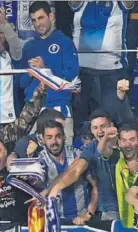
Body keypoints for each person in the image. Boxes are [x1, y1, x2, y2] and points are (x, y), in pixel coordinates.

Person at [48, 112, 138, 222]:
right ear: (91, 130)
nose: (99, 131)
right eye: (95, 127)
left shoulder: (136, 148)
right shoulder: (93, 148)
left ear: (111, 126)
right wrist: (55, 189)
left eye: (103, 126)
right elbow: (75, 170)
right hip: (111, 213)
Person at [69, 0, 133, 131]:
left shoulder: (119, 3)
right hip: (82, 73)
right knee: (82, 126)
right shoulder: (80, 3)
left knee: (115, 123)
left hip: (112, 72)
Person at [21, 1, 79, 145]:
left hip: (59, 108)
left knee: (65, 156)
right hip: (32, 112)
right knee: (30, 156)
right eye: (34, 20)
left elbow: (72, 76)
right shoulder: (28, 47)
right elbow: (21, 83)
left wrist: (45, 68)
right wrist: (30, 73)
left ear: (51, 16)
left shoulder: (65, 42)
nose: (38, 23)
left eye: (41, 18)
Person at [37, 120, 98, 225]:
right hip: (54, 223)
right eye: (49, 137)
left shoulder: (78, 155)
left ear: (64, 137)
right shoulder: (39, 161)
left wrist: (89, 214)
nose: (54, 141)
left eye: (58, 136)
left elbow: (95, 185)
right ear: (42, 139)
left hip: (81, 220)